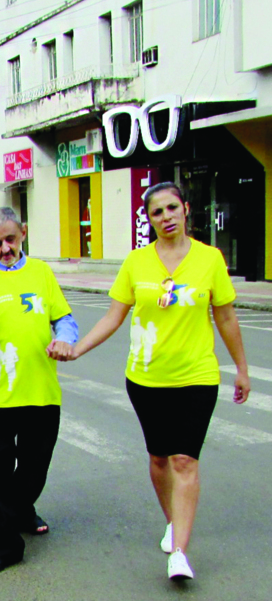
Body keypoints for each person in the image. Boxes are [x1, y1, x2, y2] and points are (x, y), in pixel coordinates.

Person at [68, 182, 250, 581]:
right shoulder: (136, 262)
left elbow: (226, 317)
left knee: (184, 459)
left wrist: (241, 368)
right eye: (156, 212)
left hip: (197, 376)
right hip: (146, 379)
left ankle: (179, 552)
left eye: (172, 208)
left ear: (186, 209)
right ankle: (174, 521)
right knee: (158, 458)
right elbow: (114, 316)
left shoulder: (210, 259)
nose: (166, 217)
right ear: (148, 220)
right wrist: (78, 349)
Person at [0, 207, 79, 575]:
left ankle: (24, 510)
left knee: (33, 469)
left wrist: (64, 340)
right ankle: (3, 546)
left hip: (41, 393)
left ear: (23, 233)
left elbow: (65, 320)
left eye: (10, 239)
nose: (5, 248)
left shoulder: (42, 273)